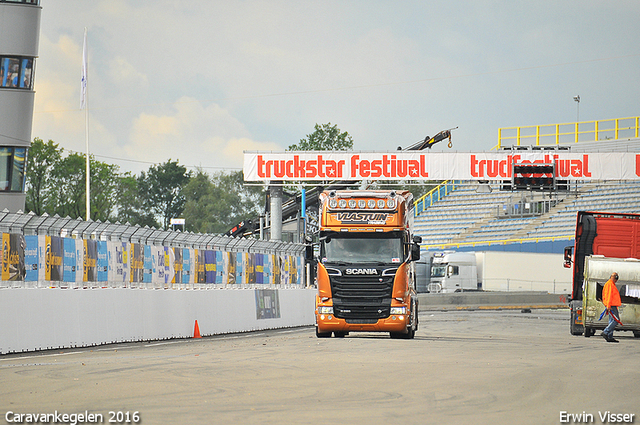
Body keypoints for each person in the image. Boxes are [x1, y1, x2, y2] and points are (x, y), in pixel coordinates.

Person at [601, 272, 622, 343]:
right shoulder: (610, 284)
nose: (616, 280)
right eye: (616, 278)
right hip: (611, 305)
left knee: (611, 320)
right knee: (616, 320)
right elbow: (609, 295)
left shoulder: (610, 284)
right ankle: (606, 332)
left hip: (611, 305)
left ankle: (609, 336)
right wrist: (609, 305)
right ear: (614, 278)